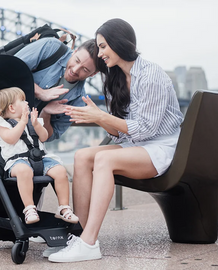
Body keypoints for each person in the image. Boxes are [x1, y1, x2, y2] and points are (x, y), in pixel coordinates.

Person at [47, 18, 184, 263]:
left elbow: (145, 130)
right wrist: (98, 118)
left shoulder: (150, 74)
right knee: (82, 156)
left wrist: (100, 115)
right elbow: (120, 134)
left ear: (119, 44)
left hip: (163, 147)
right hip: (138, 145)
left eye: (102, 47)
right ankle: (78, 235)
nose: (99, 54)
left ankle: (89, 243)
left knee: (104, 159)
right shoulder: (115, 78)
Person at [0, 37, 100, 242]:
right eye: (77, 59)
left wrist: (47, 114)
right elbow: (7, 70)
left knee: (37, 162)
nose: (76, 69)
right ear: (75, 49)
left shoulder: (78, 98)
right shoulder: (51, 48)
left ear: (94, 73)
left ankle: (30, 221)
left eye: (85, 69)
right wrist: (41, 93)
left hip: (24, 140)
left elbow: (51, 135)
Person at [0, 87, 78, 225]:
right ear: (12, 108)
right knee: (24, 171)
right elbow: (11, 139)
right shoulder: (2, 124)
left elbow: (44, 137)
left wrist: (36, 124)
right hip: (18, 161)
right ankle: (30, 208)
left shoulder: (33, 120)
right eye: (23, 101)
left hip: (40, 158)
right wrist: (22, 123)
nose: (27, 103)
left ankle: (64, 208)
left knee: (60, 171)